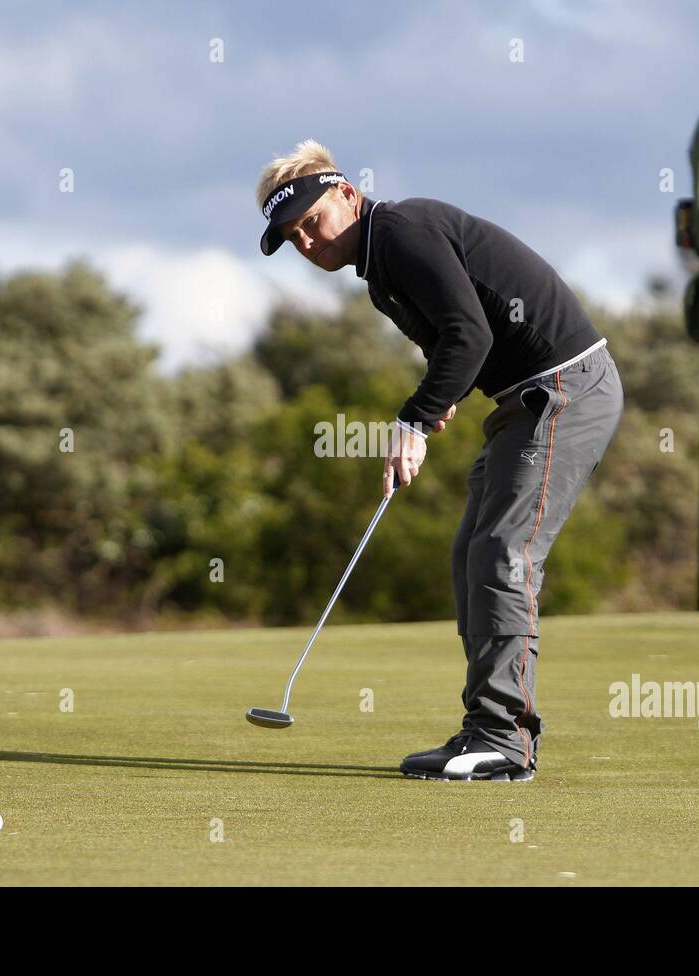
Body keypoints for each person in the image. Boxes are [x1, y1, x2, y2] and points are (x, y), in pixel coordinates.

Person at [255, 140, 623, 781]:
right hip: (522, 401)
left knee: (503, 553)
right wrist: (439, 396)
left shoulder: (400, 231)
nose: (307, 243)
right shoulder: (380, 273)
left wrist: (417, 419)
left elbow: (469, 334)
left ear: (347, 194)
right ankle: (483, 729)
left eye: (312, 222)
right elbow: (461, 349)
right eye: (293, 238)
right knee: (471, 554)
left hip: (565, 388)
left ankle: (504, 740)